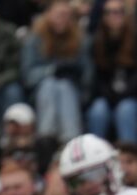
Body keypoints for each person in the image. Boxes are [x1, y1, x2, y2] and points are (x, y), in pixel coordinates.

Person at [21, 0, 93, 145]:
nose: (63, 19)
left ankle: (70, 140)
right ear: (48, 15)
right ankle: (47, 140)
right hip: (41, 93)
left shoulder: (81, 40)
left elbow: (88, 76)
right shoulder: (34, 39)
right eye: (59, 15)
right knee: (50, 85)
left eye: (67, 15)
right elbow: (28, 77)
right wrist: (52, 70)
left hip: (73, 93)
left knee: (64, 86)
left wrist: (73, 73)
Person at [85, 0, 137, 146]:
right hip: (106, 96)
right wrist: (109, 95)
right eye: (108, 12)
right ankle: (95, 154)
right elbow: (97, 77)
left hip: (132, 95)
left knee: (125, 110)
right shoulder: (97, 41)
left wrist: (124, 94)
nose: (113, 16)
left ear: (125, 14)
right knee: (97, 111)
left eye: (118, 12)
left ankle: (129, 158)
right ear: (103, 16)